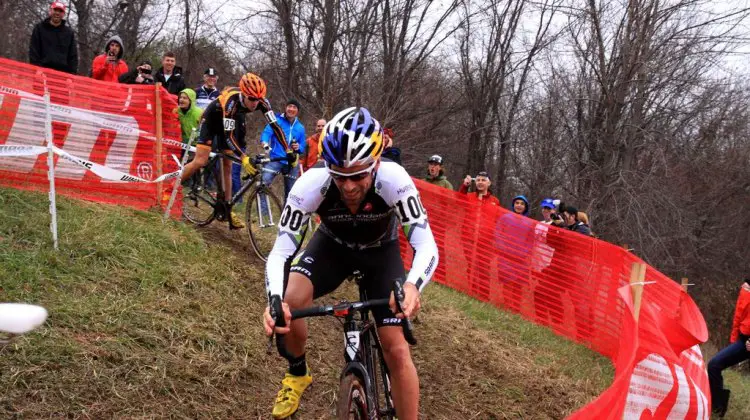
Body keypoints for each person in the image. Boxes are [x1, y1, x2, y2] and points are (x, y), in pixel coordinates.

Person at [263, 107, 438, 420]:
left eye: (358, 175)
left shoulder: (394, 179)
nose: (349, 187)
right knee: (290, 300)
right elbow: (280, 252)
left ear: (376, 163)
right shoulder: (312, 184)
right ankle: (297, 372)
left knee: (396, 349)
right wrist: (273, 300)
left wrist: (412, 286)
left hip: (380, 253)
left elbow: (426, 245)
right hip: (333, 246)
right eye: (339, 176)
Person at [178, 73, 291, 229]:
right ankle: (172, 189)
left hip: (230, 121)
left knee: (228, 166)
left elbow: (276, 127)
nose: (255, 103)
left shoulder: (262, 102)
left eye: (258, 99)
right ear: (244, 94)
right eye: (251, 99)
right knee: (200, 160)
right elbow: (228, 136)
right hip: (212, 120)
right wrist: (244, 157)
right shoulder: (231, 101)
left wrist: (288, 150)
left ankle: (227, 208)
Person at [708, 279, 750, 417]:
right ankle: (717, 408)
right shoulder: (746, 287)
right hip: (744, 341)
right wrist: (735, 338)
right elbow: (740, 314)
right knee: (714, 365)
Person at [260, 98, 306, 200]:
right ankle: (264, 213)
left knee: (291, 192)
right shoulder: (276, 121)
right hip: (276, 159)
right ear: (286, 108)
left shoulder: (300, 127)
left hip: (292, 162)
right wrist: (265, 143)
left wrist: (299, 147)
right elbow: (266, 133)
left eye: (294, 107)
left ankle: (286, 214)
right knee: (263, 183)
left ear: (297, 111)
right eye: (289, 106)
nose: (291, 109)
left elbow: (303, 146)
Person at [29, 2, 78, 75]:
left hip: (62, 75)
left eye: (60, 11)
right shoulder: (39, 28)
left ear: (63, 14)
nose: (57, 13)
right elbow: (33, 51)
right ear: (50, 11)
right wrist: (37, 69)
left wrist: (71, 76)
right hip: (41, 73)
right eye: (55, 10)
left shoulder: (69, 33)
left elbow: (73, 56)